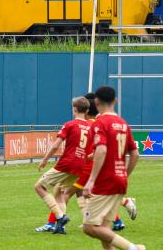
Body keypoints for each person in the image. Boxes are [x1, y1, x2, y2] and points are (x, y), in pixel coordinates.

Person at [36, 93, 136, 232]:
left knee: (68, 193)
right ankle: (112, 218)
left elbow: (97, 149)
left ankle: (57, 221)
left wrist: (46, 159)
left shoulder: (85, 125)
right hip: (85, 166)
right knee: (74, 192)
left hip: (85, 167)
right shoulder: (94, 126)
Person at [81, 86, 145, 250]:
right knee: (104, 228)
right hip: (119, 180)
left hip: (105, 181)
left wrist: (90, 180)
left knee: (89, 227)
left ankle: (133, 249)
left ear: (96, 102)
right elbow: (135, 154)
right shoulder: (123, 123)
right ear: (115, 101)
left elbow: (100, 150)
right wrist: (125, 173)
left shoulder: (100, 123)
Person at [33, 97, 92, 234]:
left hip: (67, 163)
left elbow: (55, 146)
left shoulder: (70, 124)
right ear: (87, 110)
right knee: (59, 191)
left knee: (39, 187)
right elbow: (92, 151)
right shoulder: (91, 127)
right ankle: (60, 227)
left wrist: (45, 160)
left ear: (75, 109)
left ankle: (60, 217)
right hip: (80, 167)